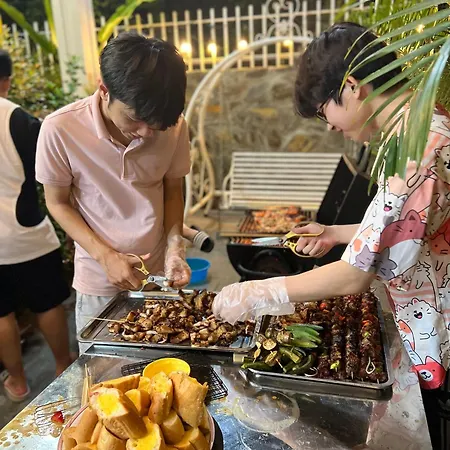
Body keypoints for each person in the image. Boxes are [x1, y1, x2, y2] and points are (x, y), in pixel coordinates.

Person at [213, 23, 450, 449]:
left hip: (439, 332)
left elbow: (353, 277)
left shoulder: (416, 150)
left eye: (325, 112)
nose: (329, 127)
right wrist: (336, 233)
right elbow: (411, 227)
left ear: (353, 86)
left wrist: (258, 291)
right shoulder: (424, 121)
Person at [36, 33, 191, 351]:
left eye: (156, 125)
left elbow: (173, 190)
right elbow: (58, 202)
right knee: (102, 370)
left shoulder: (174, 124)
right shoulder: (59, 129)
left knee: (159, 366)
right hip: (98, 277)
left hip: (157, 274)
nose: (146, 132)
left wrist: (175, 247)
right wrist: (105, 256)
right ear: (104, 90)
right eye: (135, 119)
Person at [0, 50, 72, 402]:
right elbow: (53, 173)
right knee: (48, 304)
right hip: (28, 236)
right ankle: (63, 367)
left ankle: (17, 382)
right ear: (7, 80)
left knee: (1, 315)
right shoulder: (19, 120)